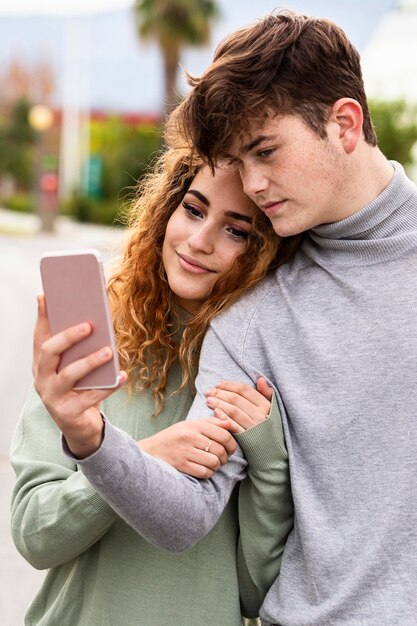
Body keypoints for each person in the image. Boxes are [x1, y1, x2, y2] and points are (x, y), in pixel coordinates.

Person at [28, 8, 417, 626]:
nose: (254, 183)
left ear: (345, 124)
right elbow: (188, 516)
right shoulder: (252, 314)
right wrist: (92, 439)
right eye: (240, 159)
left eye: (266, 151)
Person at [11, 143, 296, 625]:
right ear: (167, 210)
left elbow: (254, 593)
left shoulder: (259, 372)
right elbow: (36, 537)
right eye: (193, 209)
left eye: (236, 230)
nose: (200, 240)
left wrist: (269, 462)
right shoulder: (98, 341)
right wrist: (136, 457)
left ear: (266, 249)